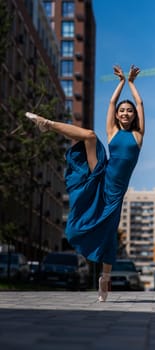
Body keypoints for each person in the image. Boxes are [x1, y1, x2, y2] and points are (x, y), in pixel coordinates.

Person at [25, 64, 145, 301]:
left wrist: (131, 83)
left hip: (115, 194)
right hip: (101, 174)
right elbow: (111, 104)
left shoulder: (137, 136)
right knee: (90, 135)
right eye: (122, 110)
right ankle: (46, 123)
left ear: (133, 116)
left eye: (128, 111)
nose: (124, 113)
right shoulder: (112, 132)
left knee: (110, 233)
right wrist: (120, 83)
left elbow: (140, 104)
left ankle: (105, 279)